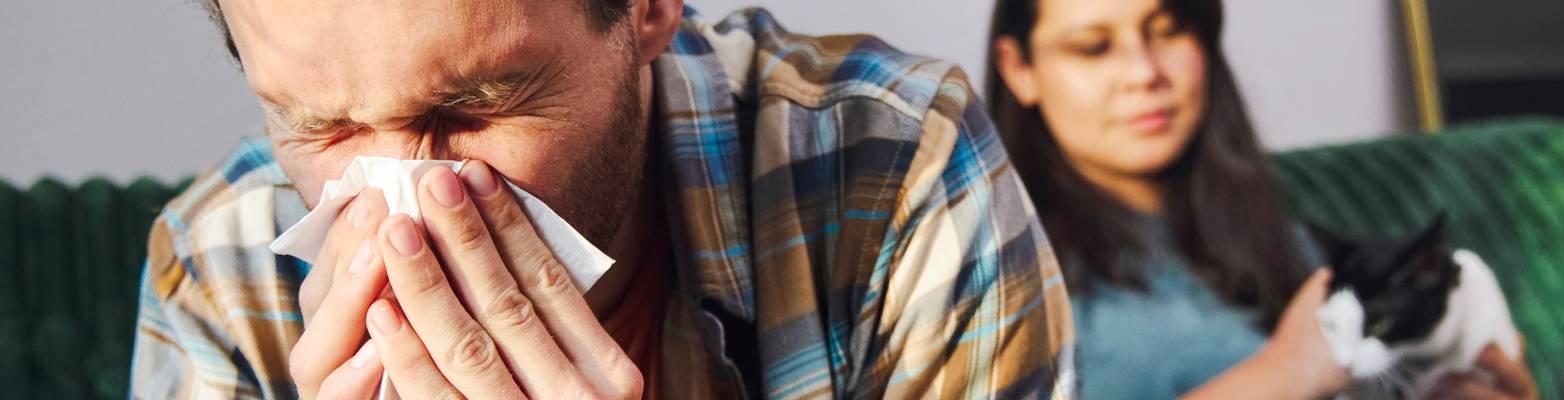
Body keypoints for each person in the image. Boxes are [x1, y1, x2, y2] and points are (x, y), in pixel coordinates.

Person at [129, 0, 1076, 398]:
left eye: (473, 106)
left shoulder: (888, 166)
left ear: (651, 9)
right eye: (319, 128)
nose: (407, 205)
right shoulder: (221, 270)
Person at [984, 0, 1536, 398]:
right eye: (1094, 47)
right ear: (1019, 68)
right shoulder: (998, 279)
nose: (1144, 73)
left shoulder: (1292, 244)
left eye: (1169, 29)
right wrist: (1282, 374)